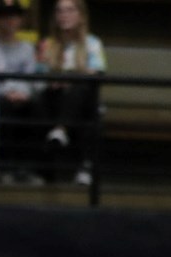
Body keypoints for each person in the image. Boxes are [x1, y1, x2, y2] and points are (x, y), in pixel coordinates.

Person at [35, 0, 103, 186]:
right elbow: (38, 73)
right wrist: (53, 81)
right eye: (60, 11)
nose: (64, 15)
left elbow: (96, 73)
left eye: (70, 10)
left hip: (83, 101)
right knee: (39, 100)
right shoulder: (47, 44)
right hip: (54, 97)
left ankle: (62, 132)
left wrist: (69, 77)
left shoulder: (92, 43)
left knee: (80, 90)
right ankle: (46, 170)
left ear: (81, 15)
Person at [0, 0, 41, 184]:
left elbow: (30, 77)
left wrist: (23, 93)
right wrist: (6, 92)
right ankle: (5, 167)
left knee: (36, 108)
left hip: (23, 96)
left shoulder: (27, 48)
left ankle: (27, 169)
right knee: (1, 108)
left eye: (13, 16)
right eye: (3, 16)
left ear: (20, 20)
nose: (9, 20)